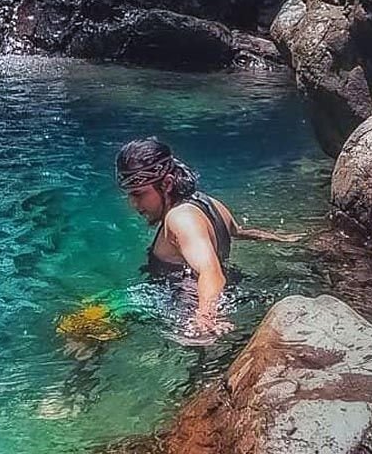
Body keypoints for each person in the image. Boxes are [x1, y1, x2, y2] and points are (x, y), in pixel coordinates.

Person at [115, 137, 302, 335]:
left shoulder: (181, 219)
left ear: (167, 184)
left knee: (89, 322)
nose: (133, 204)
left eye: (138, 194)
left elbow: (210, 271)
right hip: (232, 290)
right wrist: (283, 238)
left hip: (189, 307)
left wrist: (205, 319)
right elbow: (237, 231)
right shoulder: (208, 203)